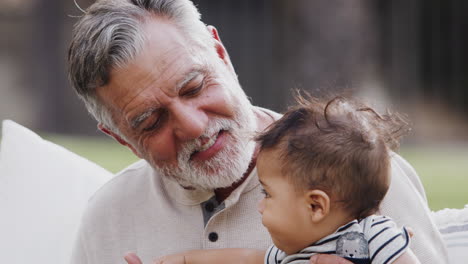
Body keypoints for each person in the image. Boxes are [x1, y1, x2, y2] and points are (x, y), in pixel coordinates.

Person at [67, 0, 448, 263]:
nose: (193, 125)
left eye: (195, 87)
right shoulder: (107, 219)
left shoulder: (360, 174)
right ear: (122, 139)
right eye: (151, 122)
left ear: (221, 54)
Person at [123, 94, 421, 264]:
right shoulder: (291, 253)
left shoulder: (370, 236)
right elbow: (245, 260)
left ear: (316, 206)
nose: (260, 206)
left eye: (268, 193)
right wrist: (182, 261)